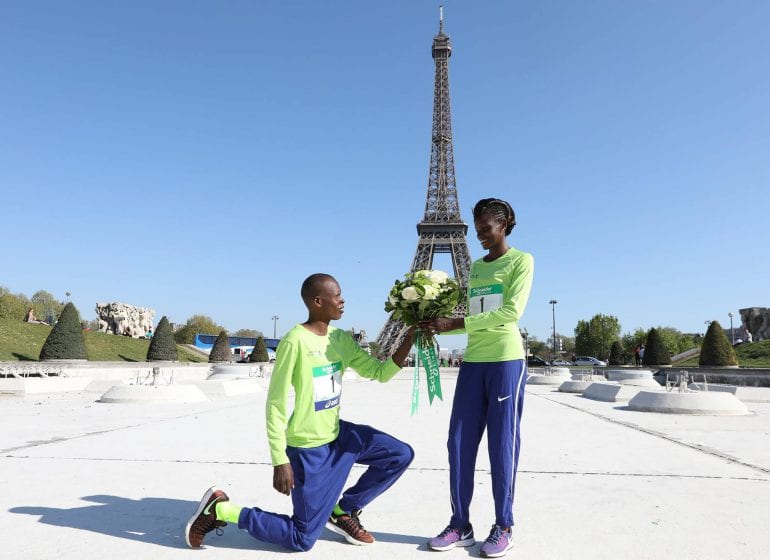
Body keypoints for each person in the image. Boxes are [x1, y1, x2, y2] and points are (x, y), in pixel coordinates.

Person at [185, 273, 415, 551]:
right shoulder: (294, 341)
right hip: (309, 449)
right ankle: (220, 510)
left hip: (340, 438)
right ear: (318, 301)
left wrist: (410, 336)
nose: (343, 301)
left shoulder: (340, 339)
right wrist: (279, 459)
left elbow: (379, 373)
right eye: (338, 295)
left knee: (399, 454)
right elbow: (276, 403)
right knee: (301, 539)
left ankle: (343, 511)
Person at [419, 198, 534, 558]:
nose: (481, 236)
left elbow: (510, 312)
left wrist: (456, 323)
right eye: (479, 228)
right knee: (457, 444)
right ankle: (460, 523)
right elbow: (473, 318)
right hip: (473, 361)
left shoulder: (521, 261)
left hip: (505, 361)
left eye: (487, 229)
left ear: (505, 225)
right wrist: (433, 327)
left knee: (502, 446)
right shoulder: (477, 270)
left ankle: (504, 525)